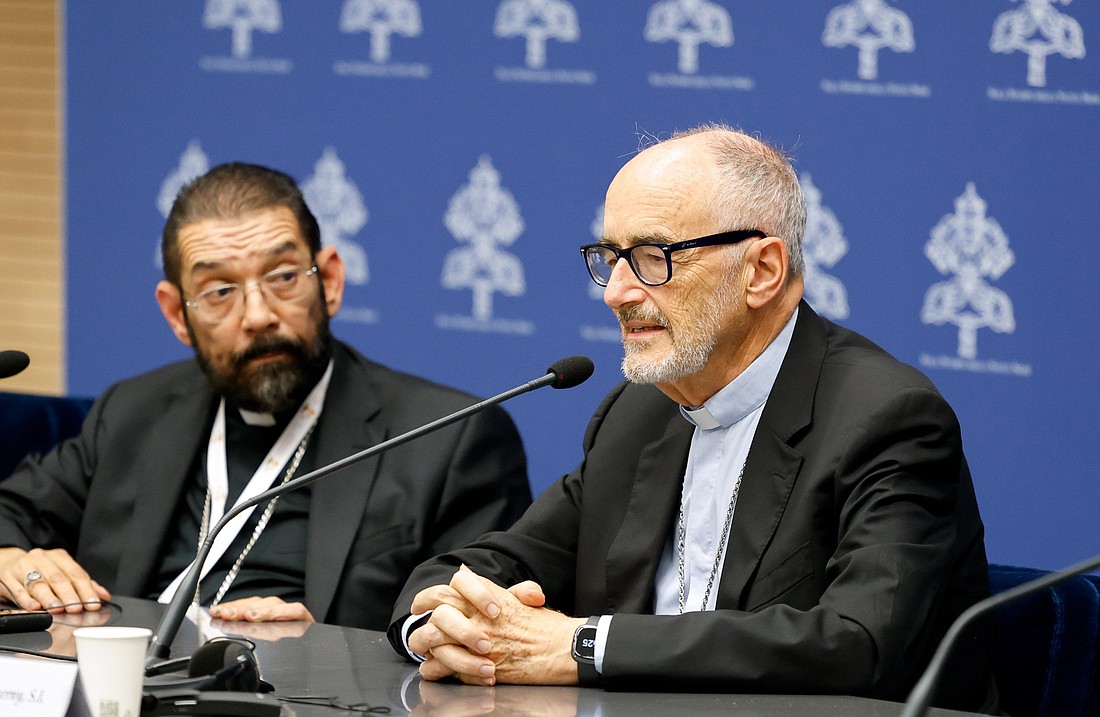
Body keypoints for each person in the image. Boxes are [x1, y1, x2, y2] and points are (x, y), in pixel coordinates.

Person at [388, 125, 996, 712]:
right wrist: (437, 625)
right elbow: (495, 564)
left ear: (762, 270)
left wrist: (582, 646)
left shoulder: (887, 417)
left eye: (654, 256)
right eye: (610, 257)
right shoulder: (638, 414)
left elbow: (859, 641)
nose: (616, 293)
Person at [0, 162, 531, 630]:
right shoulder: (134, 412)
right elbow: (10, 513)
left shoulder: (449, 438)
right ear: (176, 314)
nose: (258, 316)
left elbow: (479, 625)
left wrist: (326, 646)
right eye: (220, 292)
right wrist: (14, 561)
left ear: (330, 280)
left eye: (281, 277)